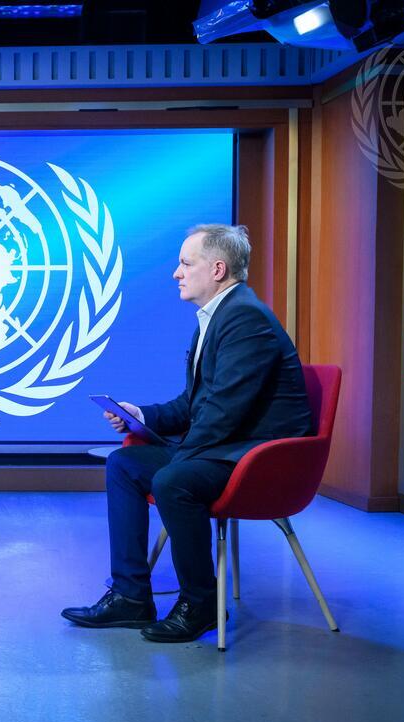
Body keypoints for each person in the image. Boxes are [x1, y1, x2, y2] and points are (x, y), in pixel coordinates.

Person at [62, 224, 313, 643]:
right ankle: (130, 596)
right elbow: (194, 405)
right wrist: (141, 415)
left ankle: (201, 603)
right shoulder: (214, 319)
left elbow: (224, 413)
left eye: (185, 263)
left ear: (217, 269)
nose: (176, 273)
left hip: (255, 459)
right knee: (124, 464)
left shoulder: (246, 318)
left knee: (172, 479)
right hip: (224, 448)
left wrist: (176, 456)